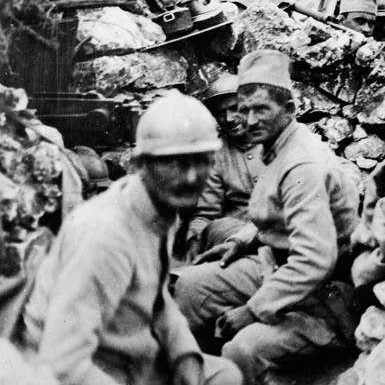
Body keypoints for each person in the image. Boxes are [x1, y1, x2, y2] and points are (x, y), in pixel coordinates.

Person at [20, 90, 243, 385]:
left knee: (224, 375)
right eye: (174, 162)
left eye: (201, 160)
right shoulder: (106, 236)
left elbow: (158, 299)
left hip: (130, 358)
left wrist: (185, 357)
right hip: (77, 371)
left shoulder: (160, 208)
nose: (191, 176)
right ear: (140, 165)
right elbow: (63, 364)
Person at [174, 50, 360, 385]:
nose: (249, 120)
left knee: (242, 348)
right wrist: (241, 239)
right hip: (279, 267)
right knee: (190, 287)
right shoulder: (274, 148)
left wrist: (252, 311)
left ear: (289, 110)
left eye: (262, 109)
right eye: (244, 110)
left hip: (325, 298)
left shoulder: (302, 164)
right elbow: (279, 218)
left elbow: (316, 258)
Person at [184, 74, 270, 260]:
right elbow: (206, 213)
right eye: (220, 113)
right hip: (234, 238)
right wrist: (195, 238)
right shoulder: (216, 154)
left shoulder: (275, 139)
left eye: (235, 108)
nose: (229, 118)